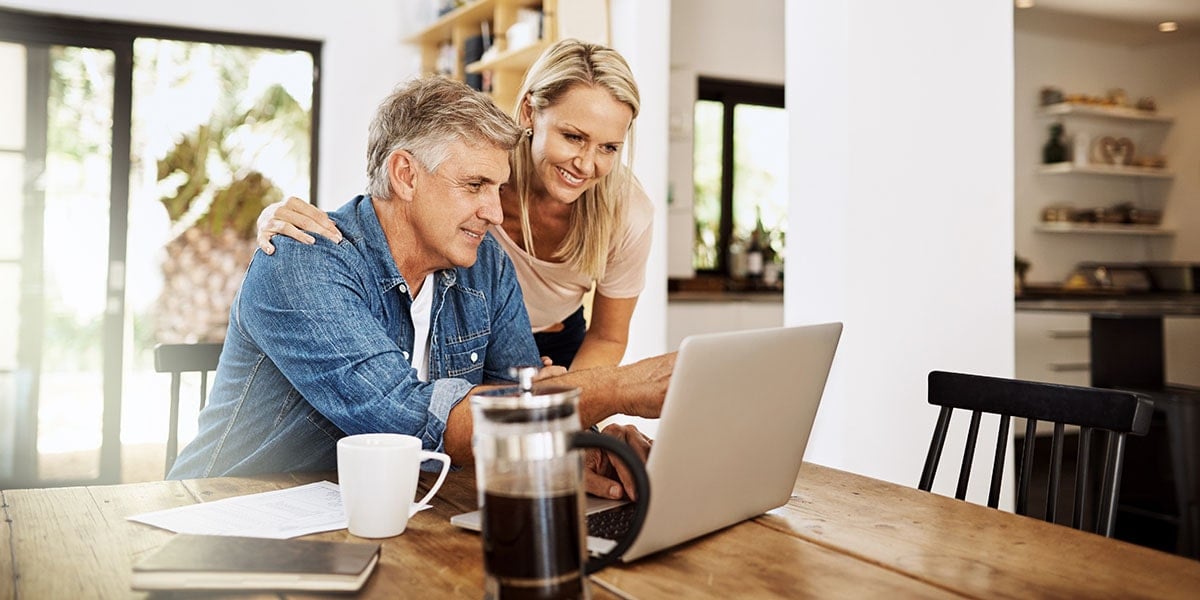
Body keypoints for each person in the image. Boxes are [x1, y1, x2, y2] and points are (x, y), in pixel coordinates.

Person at [168, 76, 673, 501]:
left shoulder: (486, 264)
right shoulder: (303, 262)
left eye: (498, 188)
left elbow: (522, 394)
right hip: (227, 514)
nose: (495, 213)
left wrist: (587, 444)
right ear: (405, 175)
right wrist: (621, 388)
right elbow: (410, 421)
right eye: (475, 185)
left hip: (382, 515)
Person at [257, 39, 652, 371]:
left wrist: (574, 404)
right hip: (459, 324)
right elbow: (392, 205)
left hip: (556, 343)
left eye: (609, 148)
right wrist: (282, 224)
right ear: (530, 111)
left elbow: (608, 335)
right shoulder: (483, 158)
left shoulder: (627, 213)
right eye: (572, 137)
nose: (586, 163)